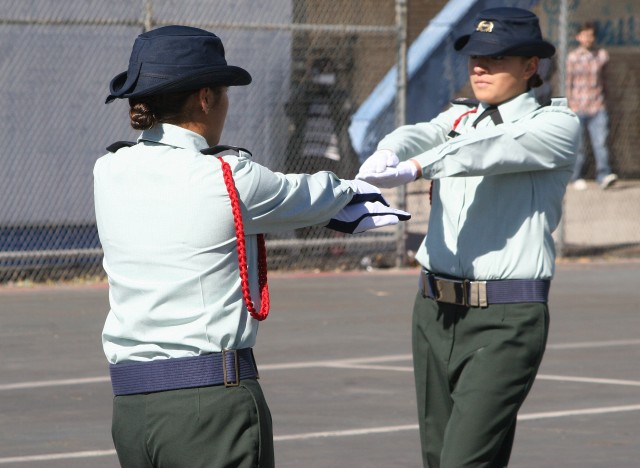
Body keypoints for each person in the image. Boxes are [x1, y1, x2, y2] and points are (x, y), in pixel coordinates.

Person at [95, 25, 409, 468]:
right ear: (205, 98)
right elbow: (306, 194)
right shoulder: (226, 176)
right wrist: (360, 185)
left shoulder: (109, 169)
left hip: (131, 405)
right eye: (223, 93)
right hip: (209, 407)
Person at [356, 7, 579, 468]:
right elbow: (425, 132)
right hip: (433, 312)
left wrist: (417, 167)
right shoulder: (459, 117)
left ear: (530, 66)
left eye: (496, 58)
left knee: (463, 460)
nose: (479, 66)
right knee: (440, 458)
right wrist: (390, 149)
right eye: (475, 56)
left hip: (505, 319)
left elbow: (486, 151)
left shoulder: (554, 125)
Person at [566, 21, 617, 190]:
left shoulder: (601, 55)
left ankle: (603, 175)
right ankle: (576, 176)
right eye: (585, 35)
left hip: (597, 105)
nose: (588, 39)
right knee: (579, 145)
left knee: (600, 143)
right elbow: (568, 83)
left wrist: (606, 101)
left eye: (591, 35)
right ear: (578, 37)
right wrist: (570, 104)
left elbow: (606, 80)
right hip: (578, 106)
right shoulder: (573, 57)